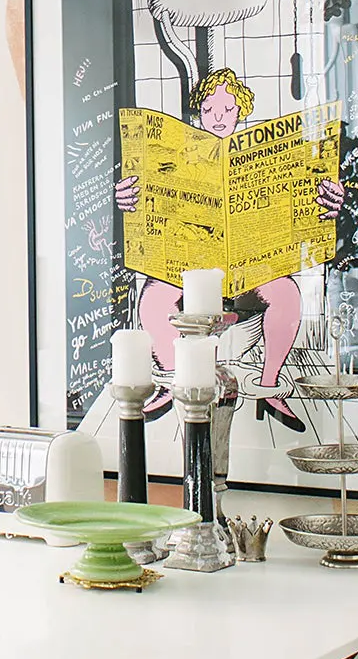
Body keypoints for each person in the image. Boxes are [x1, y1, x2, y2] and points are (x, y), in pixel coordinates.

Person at [116, 67, 344, 430]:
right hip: (188, 264)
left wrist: (330, 198)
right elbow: (144, 202)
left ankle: (269, 387)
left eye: (227, 109)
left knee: (287, 296)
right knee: (153, 300)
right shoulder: (177, 156)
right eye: (209, 109)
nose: (218, 117)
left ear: (241, 111)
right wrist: (126, 199)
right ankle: (175, 381)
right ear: (198, 113)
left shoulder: (265, 159)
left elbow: (306, 196)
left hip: (251, 265)